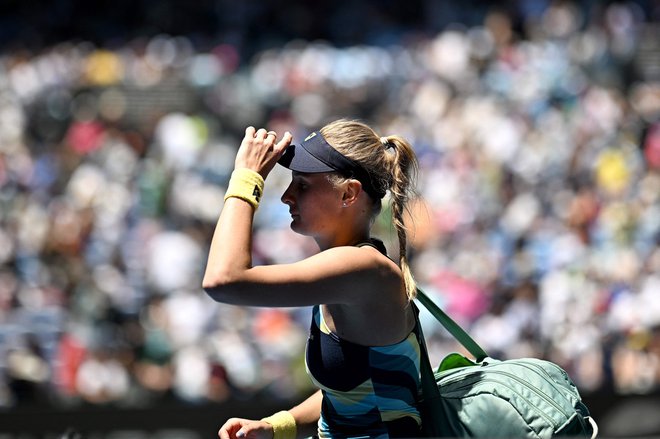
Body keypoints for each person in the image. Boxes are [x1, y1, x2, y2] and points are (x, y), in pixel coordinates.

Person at [203, 119, 422, 439]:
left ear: (349, 194)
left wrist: (246, 179)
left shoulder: (363, 268)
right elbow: (350, 395)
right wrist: (277, 425)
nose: (286, 196)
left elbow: (222, 280)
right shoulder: (351, 269)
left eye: (302, 185)